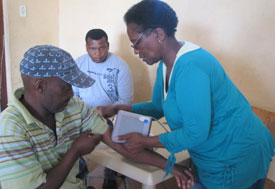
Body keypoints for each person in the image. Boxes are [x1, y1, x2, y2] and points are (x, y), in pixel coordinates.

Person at [98, 0, 275, 189]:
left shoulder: (191, 67)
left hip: (236, 155)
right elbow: (158, 107)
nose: (135, 50)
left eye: (136, 42)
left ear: (158, 34)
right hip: (216, 152)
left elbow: (196, 133)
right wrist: (119, 108)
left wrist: (145, 141)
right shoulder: (165, 63)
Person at [0, 45, 192, 189]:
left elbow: (121, 144)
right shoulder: (11, 129)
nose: (71, 94)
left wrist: (171, 166)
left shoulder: (73, 107)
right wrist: (75, 151)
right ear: (40, 86)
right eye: (67, 88)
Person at [72, 29, 134, 189]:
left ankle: (110, 174)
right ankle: (79, 171)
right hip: (83, 114)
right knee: (67, 129)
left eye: (102, 47)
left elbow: (126, 102)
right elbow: (74, 97)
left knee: (114, 134)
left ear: (108, 45)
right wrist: (84, 113)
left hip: (110, 115)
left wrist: (108, 110)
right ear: (86, 48)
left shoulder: (120, 66)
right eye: (93, 49)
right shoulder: (78, 64)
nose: (98, 53)